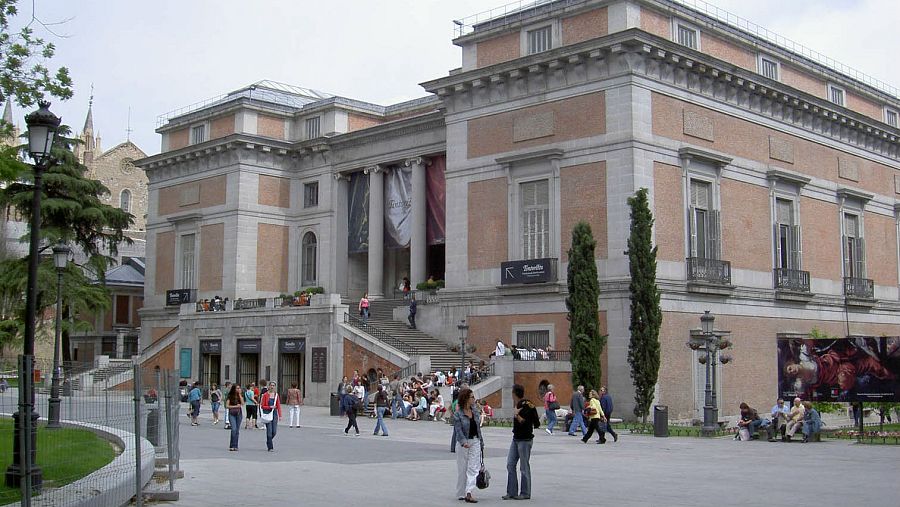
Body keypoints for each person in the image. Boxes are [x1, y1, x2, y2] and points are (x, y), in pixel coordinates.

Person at [505, 384, 540, 500]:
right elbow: (537, 423)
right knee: (510, 464)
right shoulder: (525, 404)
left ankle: (525, 492)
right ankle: (511, 491)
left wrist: (516, 414)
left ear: (514, 394)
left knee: (524, 466)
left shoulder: (526, 405)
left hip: (525, 439)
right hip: (516, 438)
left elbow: (526, 423)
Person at [453, 388, 482, 503]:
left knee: (473, 467)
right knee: (462, 469)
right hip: (463, 443)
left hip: (475, 441)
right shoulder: (458, 414)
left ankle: (469, 492)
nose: (474, 399)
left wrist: (481, 442)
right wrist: (463, 442)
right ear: (465, 399)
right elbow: (458, 430)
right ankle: (461, 492)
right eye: (472, 397)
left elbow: (478, 429)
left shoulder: (475, 411)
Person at [259, 381, 282, 451]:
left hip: (274, 414)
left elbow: (278, 405)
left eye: (273, 385)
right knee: (269, 430)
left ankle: (269, 440)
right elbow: (262, 406)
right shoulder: (265, 395)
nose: (272, 387)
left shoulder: (276, 395)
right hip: (267, 413)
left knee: (274, 431)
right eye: (271, 385)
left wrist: (280, 415)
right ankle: (270, 446)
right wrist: (270, 407)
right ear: (268, 386)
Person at [225, 383, 244, 451]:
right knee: (233, 429)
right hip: (232, 413)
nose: (238, 389)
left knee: (237, 430)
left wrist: (239, 394)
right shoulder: (230, 396)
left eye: (239, 388)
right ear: (234, 389)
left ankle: (235, 445)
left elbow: (242, 403)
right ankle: (232, 445)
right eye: (237, 388)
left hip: (239, 414)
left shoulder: (239, 396)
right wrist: (235, 406)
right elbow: (227, 406)